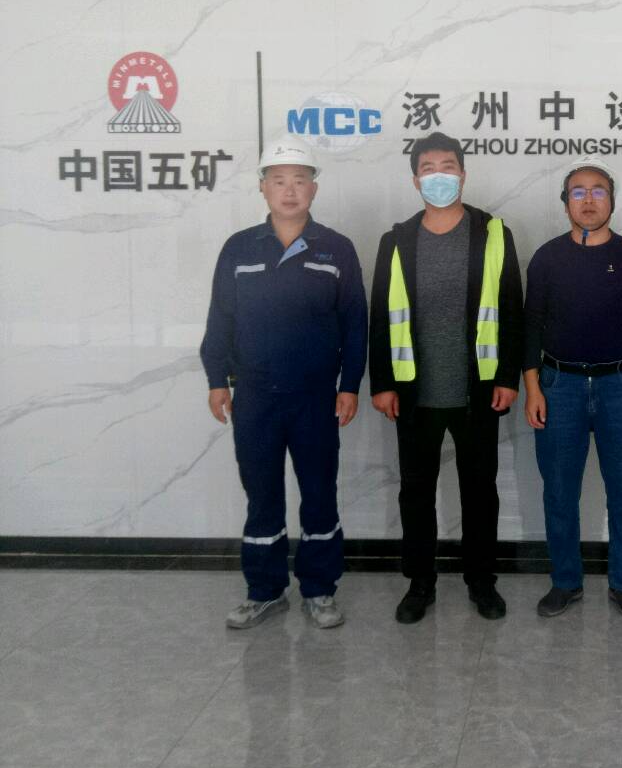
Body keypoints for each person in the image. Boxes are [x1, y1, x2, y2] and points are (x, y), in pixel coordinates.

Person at [199, 138, 367, 630]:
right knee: (262, 495)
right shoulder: (239, 248)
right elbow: (220, 319)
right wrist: (216, 380)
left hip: (315, 398)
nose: (289, 190)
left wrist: (350, 385)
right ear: (263, 188)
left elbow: (355, 323)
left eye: (299, 180)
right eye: (278, 181)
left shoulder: (336, 248)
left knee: (319, 493)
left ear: (314, 188)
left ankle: (319, 589)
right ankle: (264, 590)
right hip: (254, 397)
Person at [368, 132, 523, 623]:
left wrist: (508, 377)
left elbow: (512, 309)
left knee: (480, 491)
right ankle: (420, 584)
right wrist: (382, 383)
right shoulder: (396, 240)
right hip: (414, 391)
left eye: (448, 166)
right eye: (428, 168)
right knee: (416, 492)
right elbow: (380, 315)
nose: (439, 176)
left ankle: (482, 581)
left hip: (478, 388)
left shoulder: (493, 233)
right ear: (415, 180)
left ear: (463, 174)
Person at [523, 159, 622, 619]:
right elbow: (531, 325)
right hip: (558, 385)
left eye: (598, 191)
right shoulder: (547, 257)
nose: (588, 200)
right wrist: (533, 387)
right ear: (565, 202)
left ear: (612, 201)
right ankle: (565, 581)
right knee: (559, 491)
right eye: (578, 192)